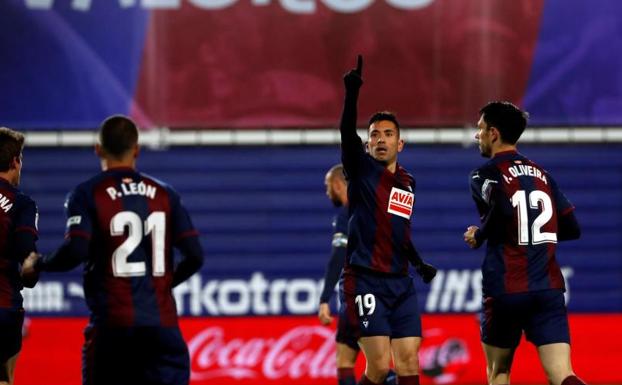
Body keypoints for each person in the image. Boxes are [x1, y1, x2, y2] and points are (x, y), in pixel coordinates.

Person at [22, 115, 204, 385]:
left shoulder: (86, 194)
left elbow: (76, 250)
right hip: (162, 331)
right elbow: (195, 256)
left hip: (112, 331)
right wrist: (162, 283)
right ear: (137, 149)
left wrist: (38, 264)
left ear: (98, 148)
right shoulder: (165, 194)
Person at [463, 101, 586, 385]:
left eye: (480, 129)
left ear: (493, 133)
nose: (476, 135)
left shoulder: (484, 174)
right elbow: (572, 227)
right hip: (547, 288)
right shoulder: (542, 175)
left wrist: (480, 235)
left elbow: (504, 208)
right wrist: (535, 237)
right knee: (563, 375)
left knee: (499, 372)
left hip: (506, 288)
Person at [337, 56, 436, 385]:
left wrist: (419, 264)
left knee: (409, 363)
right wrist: (352, 95)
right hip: (365, 279)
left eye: (388, 134)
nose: (380, 139)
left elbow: (398, 230)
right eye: (374, 134)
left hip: (401, 281)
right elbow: (346, 133)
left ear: (400, 143)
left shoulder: (408, 181)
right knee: (379, 367)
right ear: (367, 144)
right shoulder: (361, 168)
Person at [0, 127, 38, 385]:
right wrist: (31, 274)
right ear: (15, 161)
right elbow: (27, 250)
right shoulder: (21, 203)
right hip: (3, 306)